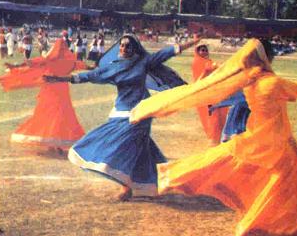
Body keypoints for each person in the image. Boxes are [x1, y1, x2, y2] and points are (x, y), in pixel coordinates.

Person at [129, 38, 297, 236]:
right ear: (269, 58)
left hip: (259, 136)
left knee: (263, 175)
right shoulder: (272, 82)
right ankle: (265, 228)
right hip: (274, 140)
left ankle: (268, 229)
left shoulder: (249, 81)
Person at [44, 34, 201, 201]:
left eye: (128, 46)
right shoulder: (113, 67)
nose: (124, 48)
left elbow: (167, 52)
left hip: (140, 112)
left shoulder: (143, 63)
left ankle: (126, 187)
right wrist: (59, 79)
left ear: (134, 49)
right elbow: (89, 76)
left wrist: (193, 42)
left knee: (128, 146)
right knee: (140, 149)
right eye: (122, 45)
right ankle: (150, 183)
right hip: (120, 111)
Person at [0, 38, 87, 152]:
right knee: (62, 113)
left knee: (50, 113)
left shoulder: (49, 60)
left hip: (50, 90)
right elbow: (84, 66)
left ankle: (52, 141)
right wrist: (95, 67)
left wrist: (15, 66)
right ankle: (56, 142)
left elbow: (31, 63)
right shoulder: (70, 62)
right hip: (61, 91)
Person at [191, 44, 227, 146]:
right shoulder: (197, 63)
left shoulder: (209, 62)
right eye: (202, 50)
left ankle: (216, 138)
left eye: (205, 50)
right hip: (205, 95)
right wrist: (206, 71)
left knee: (219, 116)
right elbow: (198, 81)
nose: (204, 52)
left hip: (214, 94)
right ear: (197, 52)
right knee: (211, 118)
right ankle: (213, 139)